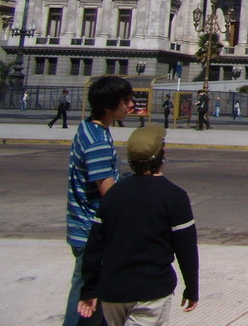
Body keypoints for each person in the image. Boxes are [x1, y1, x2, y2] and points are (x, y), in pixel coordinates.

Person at [78, 124, 199, 325]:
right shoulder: (174, 197)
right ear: (162, 153)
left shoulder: (113, 195)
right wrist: (191, 288)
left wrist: (89, 289)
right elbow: (186, 249)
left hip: (113, 292)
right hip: (151, 292)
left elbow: (94, 246)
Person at [62, 75, 134, 326]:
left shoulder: (88, 128)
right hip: (91, 232)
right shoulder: (98, 142)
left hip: (82, 226)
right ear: (109, 105)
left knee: (94, 299)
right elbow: (109, 193)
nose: (130, 105)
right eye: (125, 101)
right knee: (84, 299)